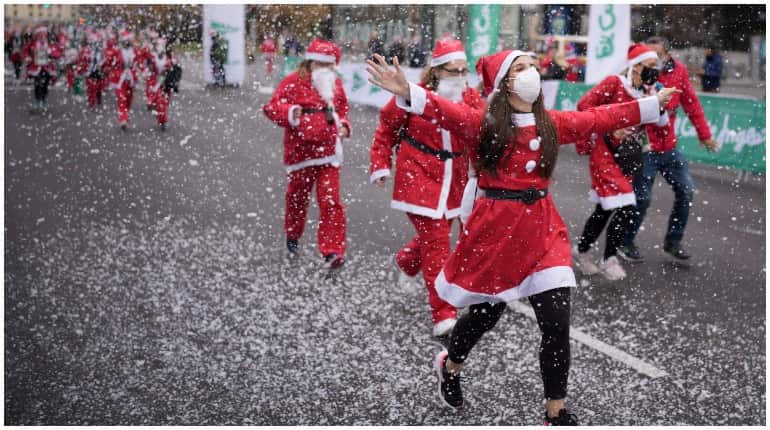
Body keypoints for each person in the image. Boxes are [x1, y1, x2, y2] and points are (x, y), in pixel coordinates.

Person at [366, 50, 678, 423]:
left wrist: (649, 105)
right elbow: (445, 112)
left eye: (532, 65)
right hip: (497, 231)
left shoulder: (551, 123)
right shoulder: (484, 124)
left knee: (557, 321)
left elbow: (598, 118)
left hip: (543, 231)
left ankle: (555, 411)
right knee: (484, 315)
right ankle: (450, 365)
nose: (531, 72)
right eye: (520, 68)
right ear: (504, 82)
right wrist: (408, 92)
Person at [369, 39, 484, 337]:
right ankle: (444, 314)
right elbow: (386, 131)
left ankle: (406, 260)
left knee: (439, 235)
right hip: (418, 176)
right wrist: (381, 164)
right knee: (437, 244)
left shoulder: (470, 97)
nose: (459, 76)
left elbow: (482, 130)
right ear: (436, 71)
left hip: (455, 179)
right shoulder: (411, 95)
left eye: (463, 70)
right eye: (452, 71)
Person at [573, 43, 669, 281]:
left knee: (605, 208)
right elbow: (584, 106)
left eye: (656, 67)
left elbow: (661, 123)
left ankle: (581, 250)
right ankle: (609, 258)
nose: (654, 71)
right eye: (650, 66)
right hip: (604, 152)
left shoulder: (649, 90)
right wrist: (610, 129)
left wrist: (657, 101)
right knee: (626, 204)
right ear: (635, 67)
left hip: (628, 156)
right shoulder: (614, 83)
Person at [619, 36, 720, 262]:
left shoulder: (679, 71)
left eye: (657, 57)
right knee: (642, 198)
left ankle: (673, 242)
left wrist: (705, 135)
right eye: (648, 57)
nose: (652, 62)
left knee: (686, 190)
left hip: (669, 147)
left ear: (667, 55)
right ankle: (625, 241)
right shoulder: (636, 74)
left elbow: (692, 104)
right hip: (645, 148)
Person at [263, 39, 352, 272]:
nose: (323, 69)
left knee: (331, 201)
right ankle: (292, 235)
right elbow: (271, 108)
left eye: (327, 65)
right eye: (318, 64)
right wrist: (291, 113)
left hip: (329, 153)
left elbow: (342, 109)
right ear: (309, 62)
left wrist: (343, 125)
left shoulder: (335, 84)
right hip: (301, 154)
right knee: (297, 199)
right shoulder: (293, 82)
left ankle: (333, 251)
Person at [104, 29, 141, 131]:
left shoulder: (135, 51)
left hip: (131, 80)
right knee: (122, 99)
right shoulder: (117, 51)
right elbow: (109, 62)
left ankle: (125, 115)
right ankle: (123, 119)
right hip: (120, 80)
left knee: (128, 100)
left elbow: (140, 62)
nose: (126, 42)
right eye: (124, 40)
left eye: (128, 40)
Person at [24, 26, 60, 112]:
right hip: (36, 68)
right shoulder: (33, 44)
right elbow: (26, 51)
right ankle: (37, 101)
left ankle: (43, 101)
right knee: (37, 85)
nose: (42, 36)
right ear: (37, 35)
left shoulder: (50, 44)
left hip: (47, 68)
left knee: (45, 85)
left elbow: (57, 52)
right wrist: (27, 57)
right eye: (40, 34)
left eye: (44, 34)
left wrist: (51, 53)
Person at [145, 37, 177, 131]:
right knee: (160, 101)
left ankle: (161, 117)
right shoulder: (152, 57)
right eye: (159, 46)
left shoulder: (169, 56)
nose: (160, 48)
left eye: (162, 46)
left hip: (166, 83)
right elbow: (149, 70)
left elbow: (175, 69)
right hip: (156, 83)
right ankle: (162, 119)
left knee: (165, 102)